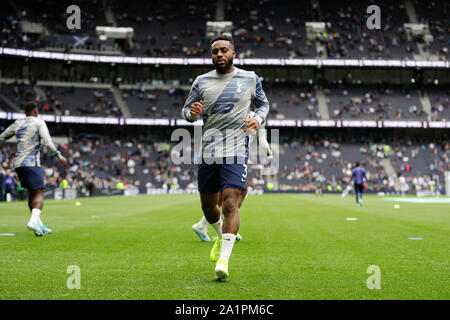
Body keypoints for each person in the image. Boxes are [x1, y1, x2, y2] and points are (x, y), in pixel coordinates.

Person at [182, 34, 269, 280]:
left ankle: (224, 260)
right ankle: (220, 236)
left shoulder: (250, 78)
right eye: (214, 52)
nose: (219, 55)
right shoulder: (201, 81)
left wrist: (258, 119)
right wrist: (192, 113)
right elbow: (186, 112)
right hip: (209, 152)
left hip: (235, 151)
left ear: (233, 53)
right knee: (210, 210)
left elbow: (263, 106)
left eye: (223, 51)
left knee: (230, 203)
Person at [192, 109, 273, 242]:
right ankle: (222, 228)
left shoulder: (243, 112)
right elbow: (263, 144)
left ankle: (208, 225)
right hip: (226, 155)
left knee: (238, 190)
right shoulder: (253, 115)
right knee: (228, 193)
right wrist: (269, 154)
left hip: (228, 154)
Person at [0, 102, 68, 236]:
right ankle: (32, 221)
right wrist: (59, 156)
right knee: (39, 193)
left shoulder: (17, 123)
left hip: (18, 164)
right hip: (31, 163)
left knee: (32, 193)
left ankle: (39, 225)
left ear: (25, 112)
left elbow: (2, 137)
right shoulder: (39, 123)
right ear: (36, 112)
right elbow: (47, 142)